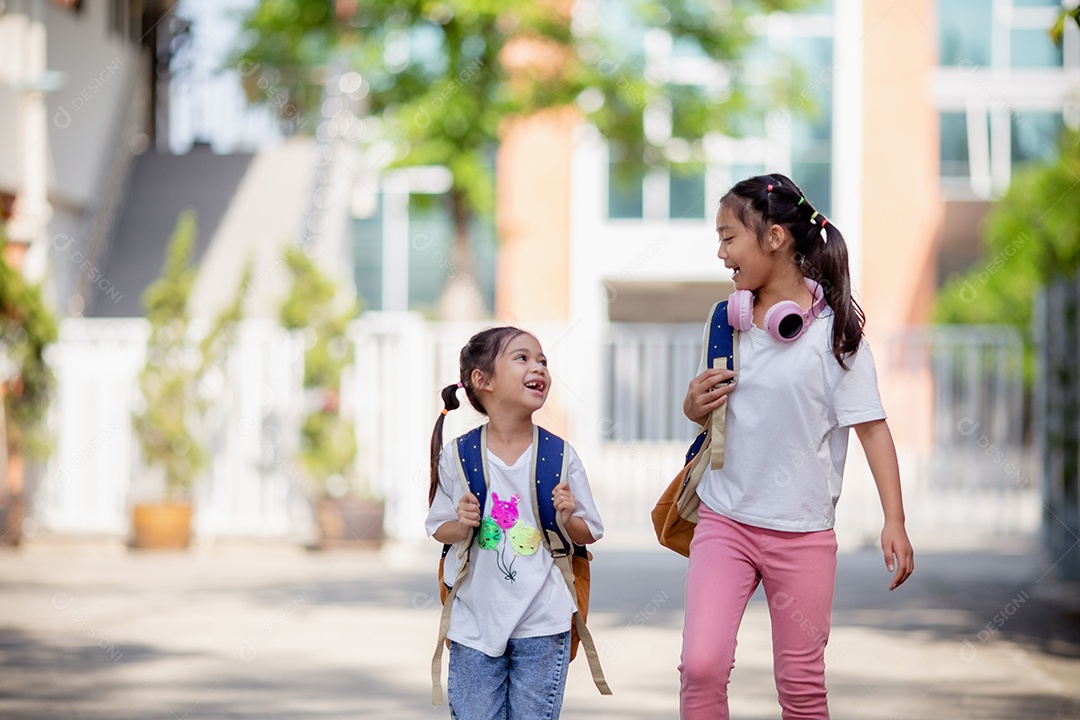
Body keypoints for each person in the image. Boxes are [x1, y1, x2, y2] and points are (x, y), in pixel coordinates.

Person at [679, 173, 914, 719]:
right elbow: (705, 414)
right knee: (701, 667)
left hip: (802, 532)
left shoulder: (836, 338)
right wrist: (692, 407)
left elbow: (873, 429)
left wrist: (894, 520)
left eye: (728, 237)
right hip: (725, 519)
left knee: (801, 687)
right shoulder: (726, 322)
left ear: (776, 237)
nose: (720, 253)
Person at [426, 326, 604, 720]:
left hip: (544, 620)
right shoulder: (459, 456)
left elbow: (589, 532)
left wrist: (568, 516)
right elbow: (439, 527)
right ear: (482, 380)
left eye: (542, 360)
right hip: (475, 621)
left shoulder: (560, 456)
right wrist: (462, 523)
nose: (538, 366)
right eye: (522, 358)